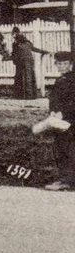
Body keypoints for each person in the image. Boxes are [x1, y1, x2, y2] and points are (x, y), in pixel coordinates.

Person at [43, 55, 75, 191]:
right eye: (59, 63)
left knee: (68, 149)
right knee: (60, 148)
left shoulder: (72, 79)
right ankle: (65, 179)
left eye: (65, 63)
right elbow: (54, 99)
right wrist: (53, 111)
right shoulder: (60, 80)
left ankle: (67, 180)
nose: (62, 66)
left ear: (71, 64)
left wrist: (64, 112)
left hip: (70, 120)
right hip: (59, 120)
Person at [11, 27, 49, 100]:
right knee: (24, 77)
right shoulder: (21, 43)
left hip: (25, 62)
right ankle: (25, 95)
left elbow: (33, 49)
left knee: (26, 77)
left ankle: (26, 95)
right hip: (24, 62)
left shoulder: (22, 43)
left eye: (14, 34)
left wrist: (43, 51)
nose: (14, 36)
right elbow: (15, 54)